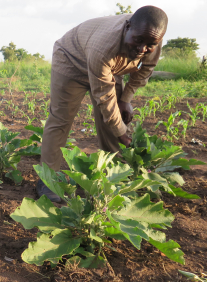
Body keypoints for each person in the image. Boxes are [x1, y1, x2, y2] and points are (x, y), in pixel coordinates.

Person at [38, 6, 168, 202]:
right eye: (139, 40)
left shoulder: (151, 38)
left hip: (108, 69)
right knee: (61, 119)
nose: (143, 49)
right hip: (72, 60)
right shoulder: (104, 47)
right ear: (128, 27)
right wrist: (123, 133)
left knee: (112, 122)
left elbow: (145, 68)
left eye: (150, 44)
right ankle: (47, 179)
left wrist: (125, 99)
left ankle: (112, 176)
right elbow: (104, 97)